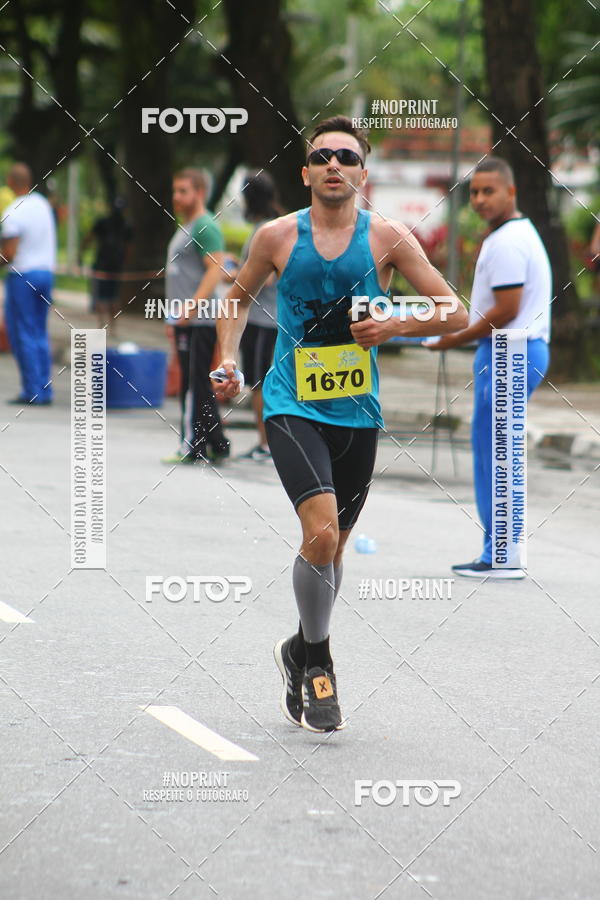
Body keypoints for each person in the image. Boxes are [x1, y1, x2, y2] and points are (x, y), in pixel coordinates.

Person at [213, 115, 467, 732]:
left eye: (347, 157)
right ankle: (320, 663)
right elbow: (235, 300)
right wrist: (228, 360)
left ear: (363, 173)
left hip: (357, 412)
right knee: (321, 534)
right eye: (322, 156)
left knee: (333, 547)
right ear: (305, 173)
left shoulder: (388, 238)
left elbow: (454, 311)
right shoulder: (276, 236)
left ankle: (297, 648)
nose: (334, 165)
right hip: (290, 405)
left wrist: (396, 324)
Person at [427, 156, 551, 579]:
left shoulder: (508, 242)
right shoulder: (515, 234)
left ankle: (501, 555)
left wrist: (451, 339)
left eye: (489, 191)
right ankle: (501, 552)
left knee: (496, 455)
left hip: (510, 351)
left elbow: (506, 309)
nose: (479, 199)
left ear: (511, 192)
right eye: (474, 192)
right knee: (496, 451)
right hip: (514, 350)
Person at [161, 168, 229, 465]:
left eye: (183, 191)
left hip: (199, 320)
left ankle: (192, 445)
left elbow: (216, 269)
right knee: (197, 381)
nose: (176, 196)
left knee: (192, 383)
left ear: (200, 193)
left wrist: (191, 307)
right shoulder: (187, 226)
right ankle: (218, 443)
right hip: (184, 320)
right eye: (175, 191)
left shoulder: (204, 226)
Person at [0, 163, 57, 405]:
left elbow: (9, 254)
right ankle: (44, 389)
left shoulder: (14, 211)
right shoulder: (42, 204)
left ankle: (32, 391)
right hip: (46, 274)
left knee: (22, 332)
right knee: (39, 331)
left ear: (10, 182)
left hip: (23, 277)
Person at [237, 171, 282, 460]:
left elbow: (264, 278)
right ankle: (267, 444)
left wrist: (234, 275)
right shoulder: (276, 226)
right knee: (262, 383)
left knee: (259, 384)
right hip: (267, 318)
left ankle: (266, 445)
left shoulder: (265, 231)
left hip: (263, 320)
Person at [84, 197, 132, 335]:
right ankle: (111, 328)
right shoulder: (124, 225)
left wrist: (81, 253)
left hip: (104, 266)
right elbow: (129, 248)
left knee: (104, 298)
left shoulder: (106, 223)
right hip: (112, 267)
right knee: (112, 298)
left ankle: (103, 326)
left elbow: (89, 238)